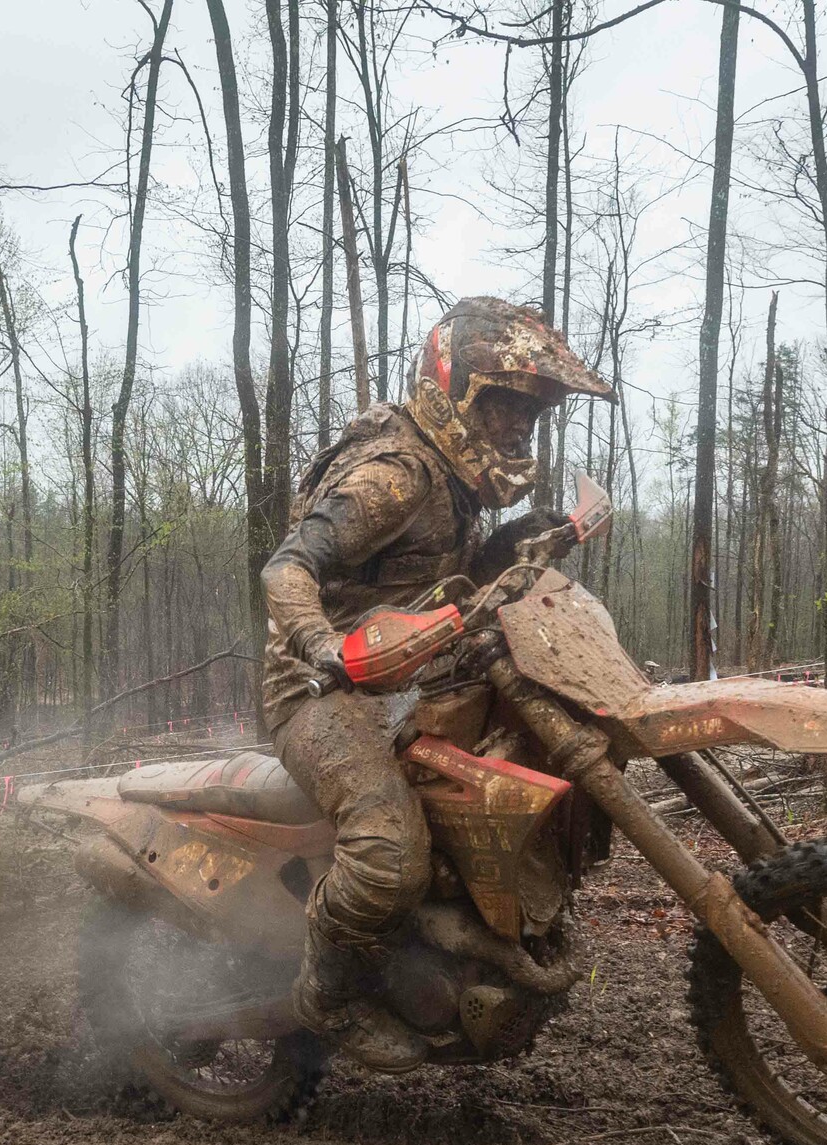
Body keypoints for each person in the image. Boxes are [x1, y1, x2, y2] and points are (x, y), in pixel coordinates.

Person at [259, 296, 612, 1069]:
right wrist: (323, 647)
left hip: (414, 670)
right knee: (389, 853)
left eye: (532, 413)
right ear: (458, 394)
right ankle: (326, 996)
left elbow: (443, 581)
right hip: (323, 689)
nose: (520, 428)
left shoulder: (454, 480)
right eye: (506, 407)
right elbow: (287, 566)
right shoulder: (396, 474)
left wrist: (534, 537)